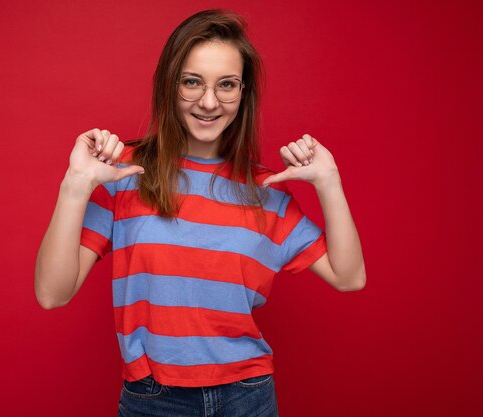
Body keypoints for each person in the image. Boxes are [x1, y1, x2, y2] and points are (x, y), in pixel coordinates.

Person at [35, 9, 365, 417]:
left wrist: (329, 180)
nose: (209, 102)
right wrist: (75, 186)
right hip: (152, 399)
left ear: (243, 93)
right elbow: (52, 293)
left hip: (248, 396)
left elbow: (350, 277)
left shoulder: (267, 193)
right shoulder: (124, 173)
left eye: (226, 85)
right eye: (192, 82)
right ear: (169, 86)